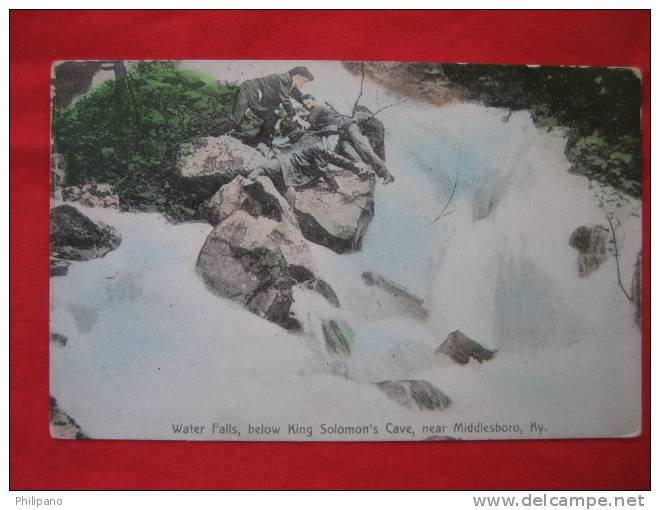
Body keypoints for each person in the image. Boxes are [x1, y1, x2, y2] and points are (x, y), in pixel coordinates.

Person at [248, 126, 371, 208]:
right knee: (288, 194)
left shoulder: (311, 137)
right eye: (333, 140)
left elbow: (334, 158)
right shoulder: (320, 147)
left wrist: (354, 166)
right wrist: (337, 188)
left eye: (337, 140)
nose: (335, 143)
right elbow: (324, 170)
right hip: (287, 168)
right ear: (325, 138)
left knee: (261, 170)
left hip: (279, 159)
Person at [301, 95, 395, 184]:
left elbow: (308, 124)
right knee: (351, 154)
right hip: (340, 133)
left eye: (307, 103)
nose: (307, 107)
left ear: (313, 101)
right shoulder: (321, 113)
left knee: (364, 148)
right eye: (304, 105)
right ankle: (365, 170)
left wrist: (299, 117)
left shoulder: (317, 108)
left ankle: (385, 174)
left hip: (348, 126)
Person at [222, 66, 314, 145]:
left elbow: (300, 97)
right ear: (298, 76)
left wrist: (309, 105)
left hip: (255, 98)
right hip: (249, 91)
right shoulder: (285, 79)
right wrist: (296, 118)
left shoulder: (291, 85)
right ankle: (210, 132)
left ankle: (260, 142)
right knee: (235, 120)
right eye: (305, 81)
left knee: (272, 117)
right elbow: (285, 100)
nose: (305, 84)